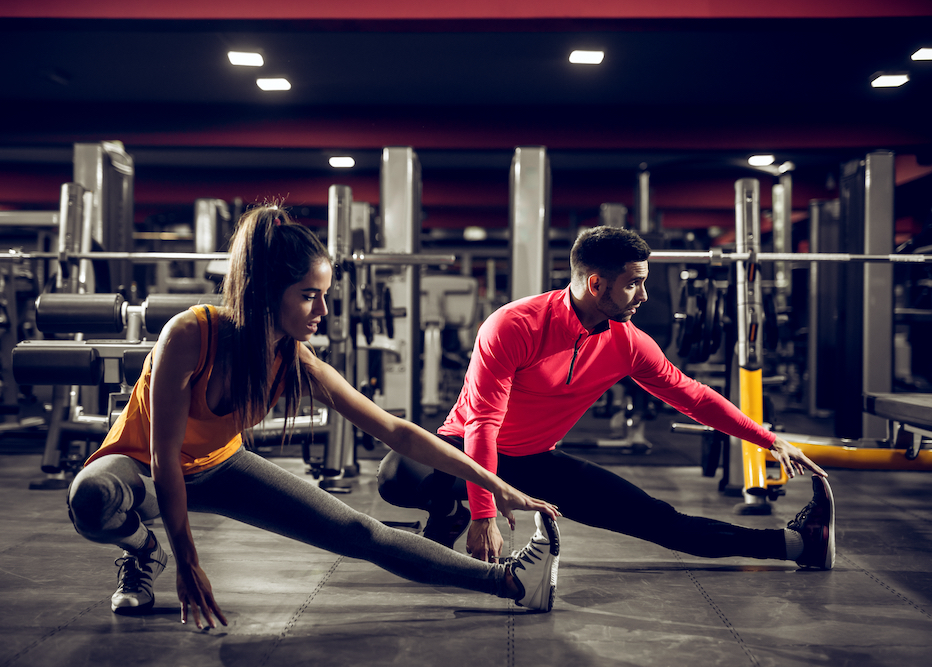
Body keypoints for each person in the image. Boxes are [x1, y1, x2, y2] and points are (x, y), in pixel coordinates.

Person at [66, 203, 562, 630]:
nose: (323, 308)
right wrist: (187, 561)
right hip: (145, 469)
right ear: (264, 291)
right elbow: (164, 456)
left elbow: (396, 432)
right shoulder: (190, 334)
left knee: (360, 533)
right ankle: (143, 550)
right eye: (308, 295)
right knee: (92, 496)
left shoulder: (296, 359)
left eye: (325, 294)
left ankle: (513, 582)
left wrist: (494, 485)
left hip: (220, 466)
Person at [378, 225, 835, 571]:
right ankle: (450, 507)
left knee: (660, 520)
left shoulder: (627, 341)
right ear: (596, 284)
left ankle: (797, 544)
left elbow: (692, 396)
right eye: (634, 283)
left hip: (536, 458)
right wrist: (483, 513)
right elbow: (482, 426)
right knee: (398, 472)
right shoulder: (514, 325)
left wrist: (766, 439)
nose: (643, 294)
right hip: (466, 448)